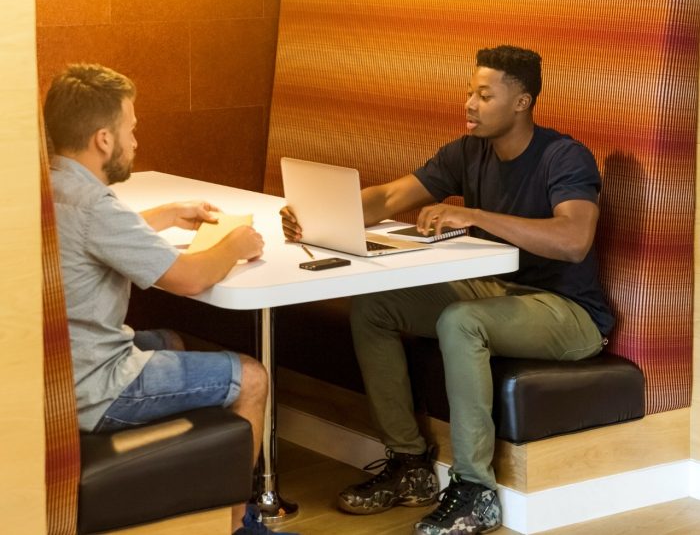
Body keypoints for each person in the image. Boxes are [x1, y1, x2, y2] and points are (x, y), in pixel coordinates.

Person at [281, 45, 614, 535]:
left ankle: (476, 491)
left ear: (521, 102)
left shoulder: (563, 156)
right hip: (497, 288)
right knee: (376, 307)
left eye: (484, 95)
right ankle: (411, 464)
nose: (470, 104)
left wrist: (475, 216)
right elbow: (392, 196)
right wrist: (318, 212)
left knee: (460, 321)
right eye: (469, 92)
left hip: (567, 312)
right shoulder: (469, 151)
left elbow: (572, 240)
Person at [44, 64, 298, 535]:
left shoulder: (48, 186)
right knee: (251, 376)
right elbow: (188, 279)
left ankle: (187, 500)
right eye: (131, 130)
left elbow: (96, 234)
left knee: (171, 340)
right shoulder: (94, 205)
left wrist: (164, 215)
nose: (135, 142)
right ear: (104, 139)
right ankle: (241, 524)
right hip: (95, 386)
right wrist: (235, 244)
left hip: (55, 373)